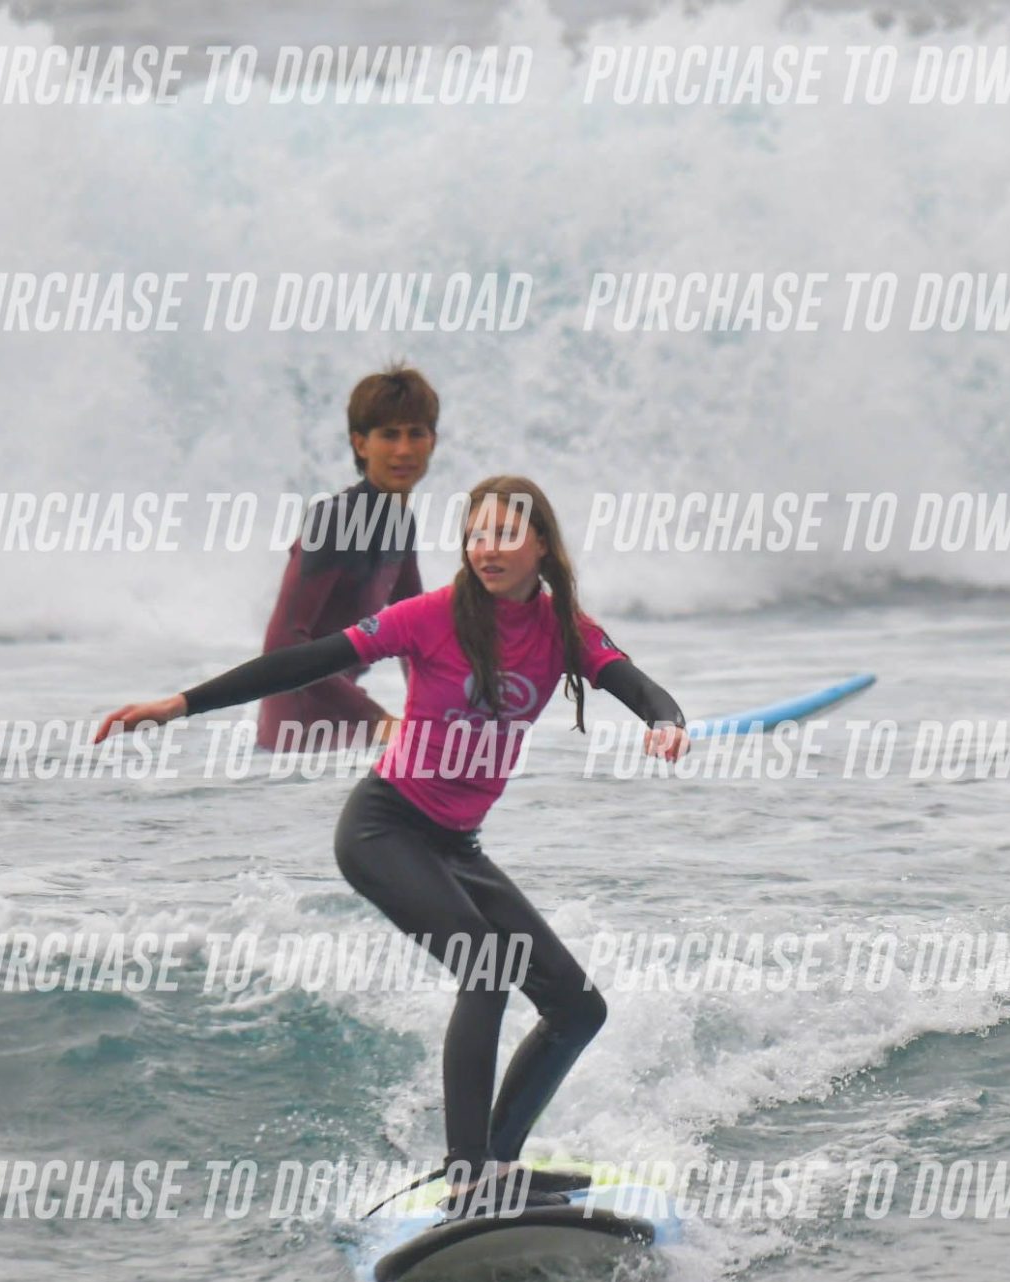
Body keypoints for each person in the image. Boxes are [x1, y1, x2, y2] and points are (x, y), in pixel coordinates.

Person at [95, 475, 690, 1215]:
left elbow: (634, 684)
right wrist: (181, 705)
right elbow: (302, 661)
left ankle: (497, 1165)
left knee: (576, 1008)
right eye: (476, 534)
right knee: (485, 969)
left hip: (457, 846)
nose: (487, 548)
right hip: (384, 829)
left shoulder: (562, 628)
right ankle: (469, 1177)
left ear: (541, 543)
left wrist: (665, 722)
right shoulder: (430, 616)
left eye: (506, 534)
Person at [255, 367, 437, 754]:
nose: (404, 450)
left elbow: (415, 634)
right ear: (360, 444)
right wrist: (378, 719)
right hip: (296, 746)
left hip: (344, 734)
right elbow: (282, 644)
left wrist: (439, 711)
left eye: (416, 434)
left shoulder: (400, 523)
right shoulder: (335, 519)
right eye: (389, 435)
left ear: (432, 441)